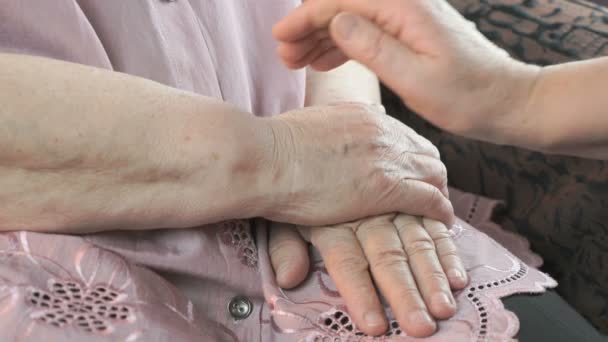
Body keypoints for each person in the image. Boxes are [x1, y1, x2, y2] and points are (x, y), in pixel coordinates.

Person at [0, 1, 577, 341]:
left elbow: (335, 19)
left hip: (334, 194)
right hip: (49, 244)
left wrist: (342, 135)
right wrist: (283, 160)